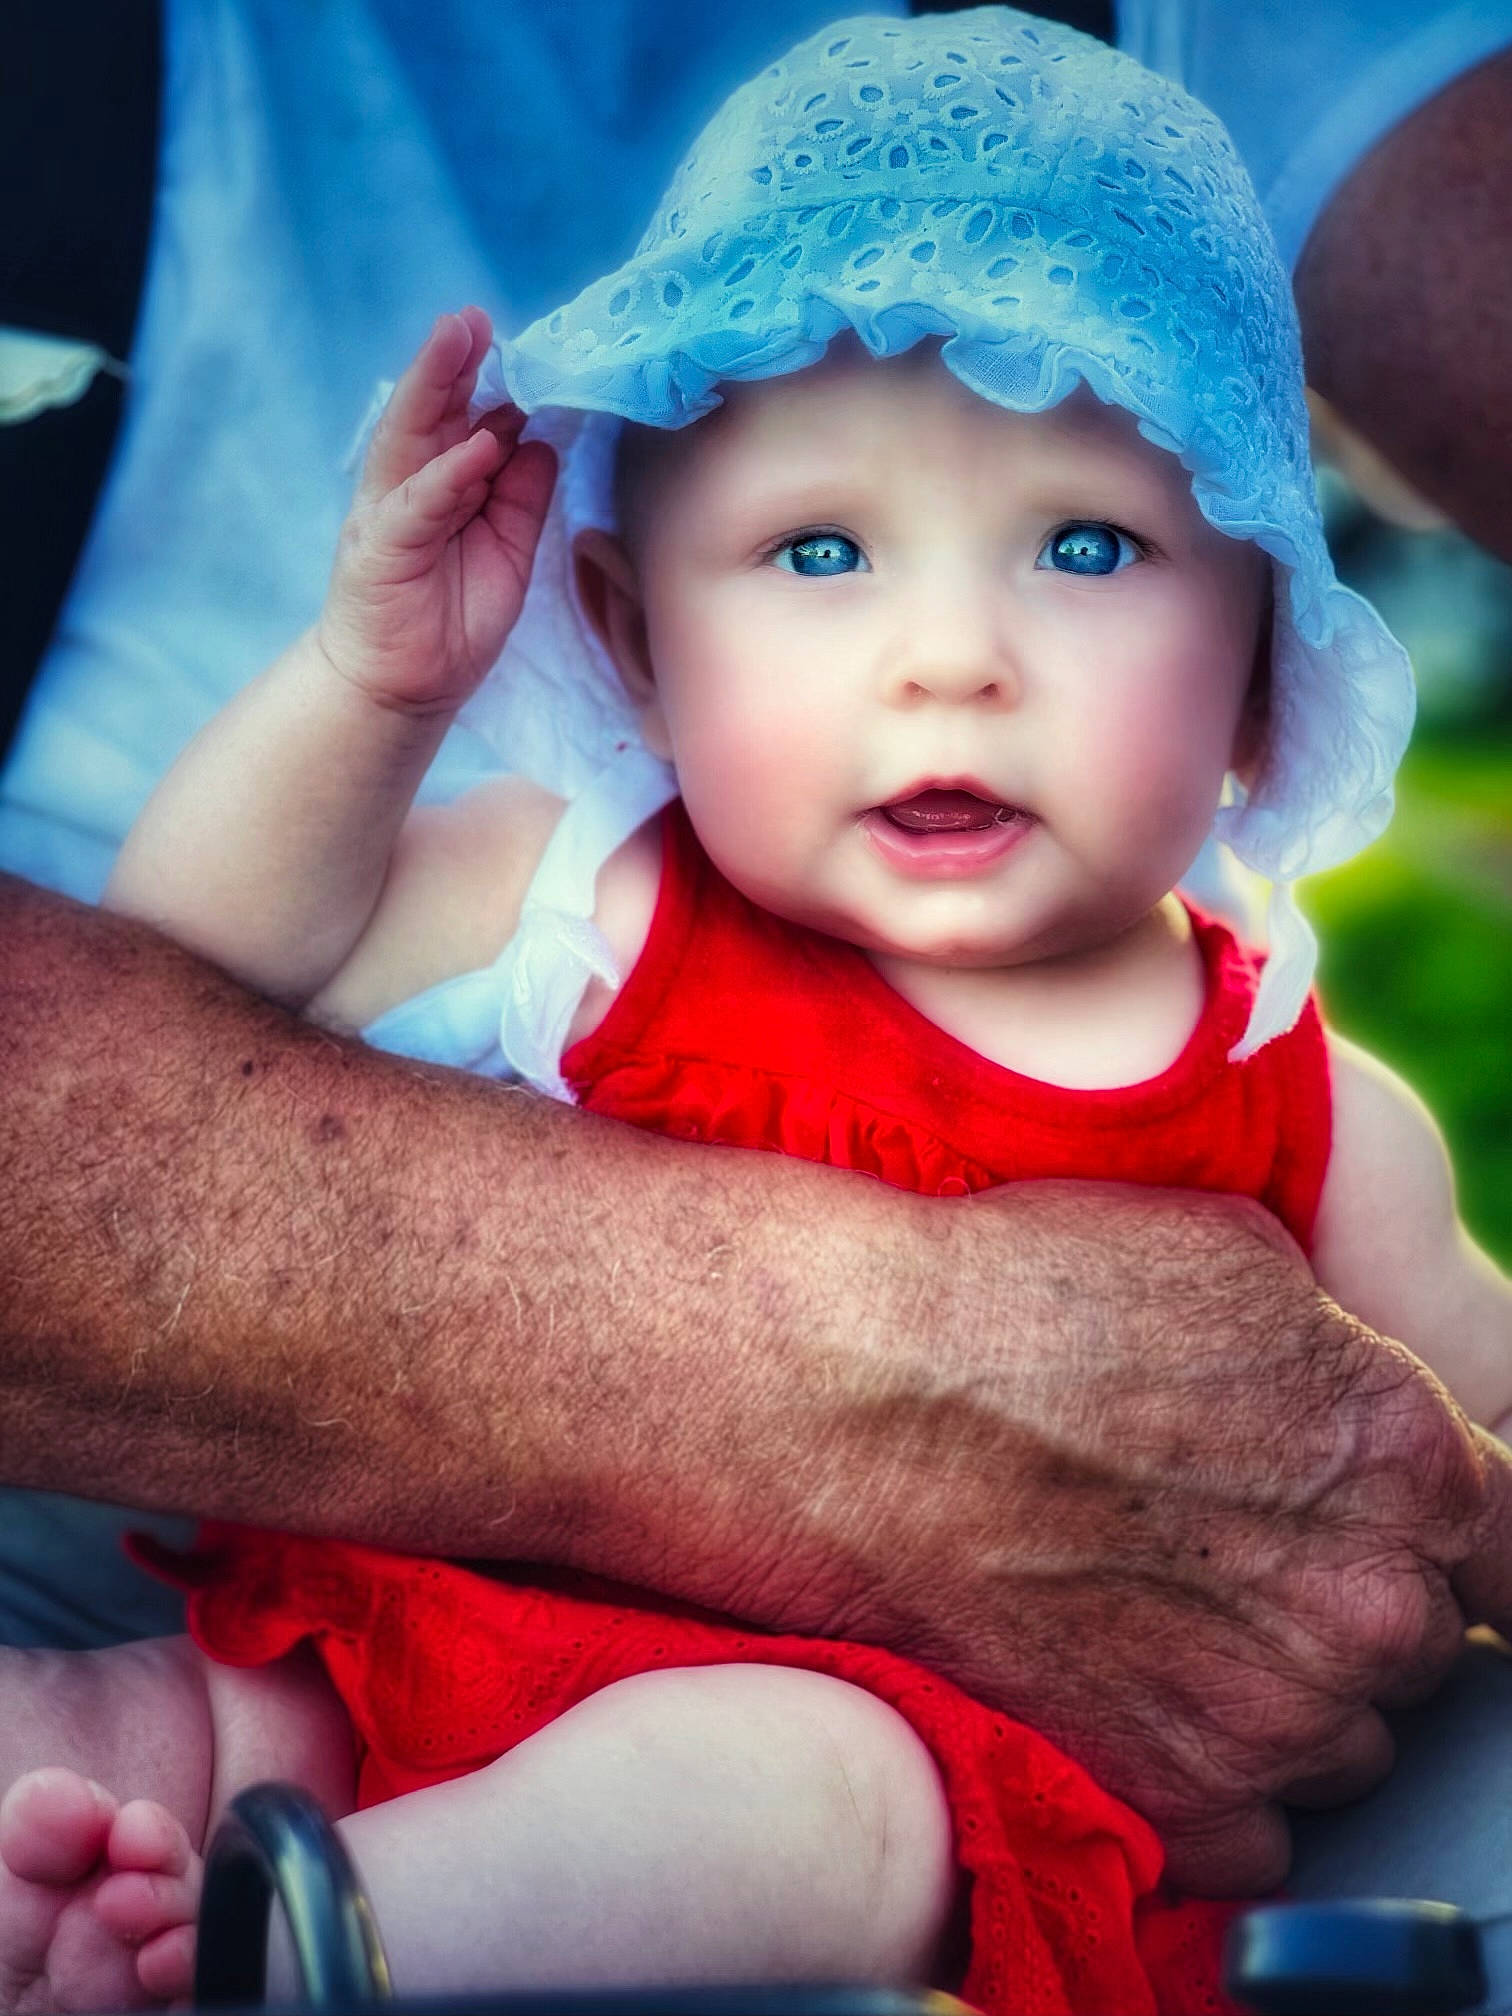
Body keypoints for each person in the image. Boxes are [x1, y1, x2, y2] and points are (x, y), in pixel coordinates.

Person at [3, 14, 1509, 2014]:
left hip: (811, 1767)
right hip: (398, 1641)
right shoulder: (581, 893)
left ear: (1257, 675)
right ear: (633, 639)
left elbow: (1460, 1459)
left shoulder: (1294, 1091)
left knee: (821, 1800)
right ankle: (104, 1896)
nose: (951, 660)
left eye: (1087, 547)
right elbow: (194, 970)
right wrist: (372, 700)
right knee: (128, 1726)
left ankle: (296, 1954)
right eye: (819, 552)